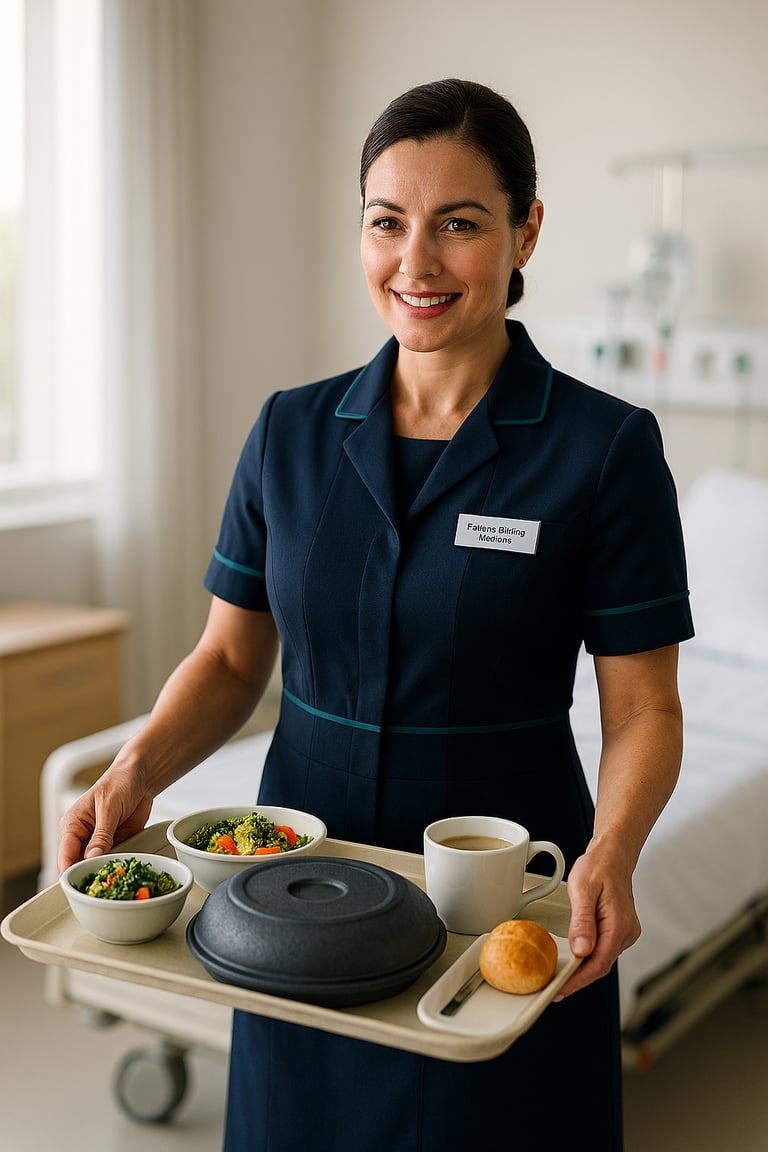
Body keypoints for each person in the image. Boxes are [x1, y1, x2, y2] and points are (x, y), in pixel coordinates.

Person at [59, 79, 693, 1151]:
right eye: (388, 222)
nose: (417, 262)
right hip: (290, 899)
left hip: (500, 892)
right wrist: (135, 770)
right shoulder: (288, 433)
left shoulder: (604, 451)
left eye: (461, 224)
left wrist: (615, 853)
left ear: (526, 230)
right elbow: (227, 660)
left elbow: (643, 710)